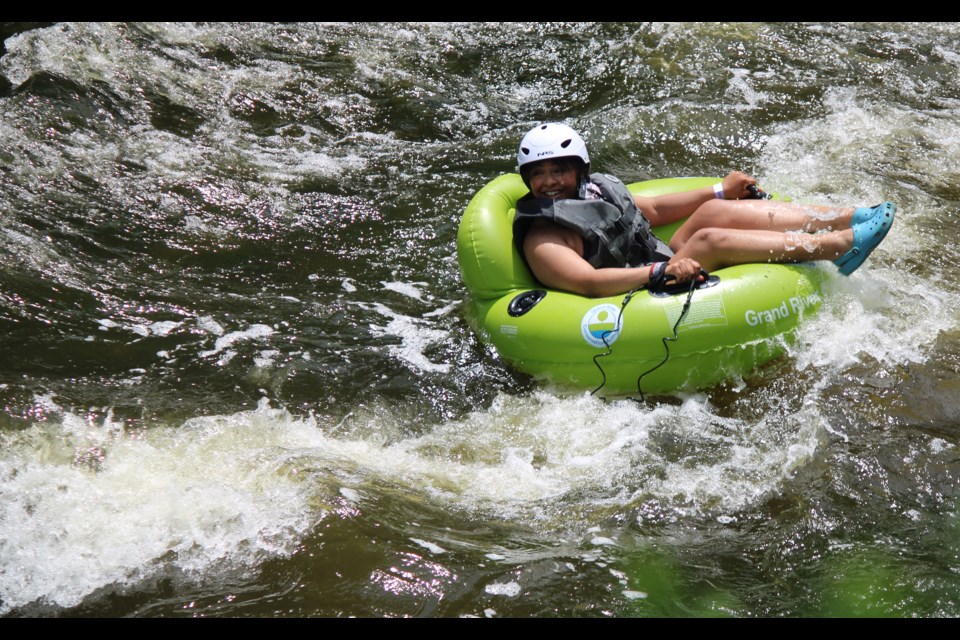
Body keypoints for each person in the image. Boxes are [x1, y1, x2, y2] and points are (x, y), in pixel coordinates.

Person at [512, 123, 896, 298]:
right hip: (635, 291)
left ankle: (849, 217)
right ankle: (836, 247)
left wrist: (722, 189)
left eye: (558, 170)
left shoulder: (596, 190)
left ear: (579, 170)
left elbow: (655, 209)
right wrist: (661, 270)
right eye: (538, 174)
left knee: (714, 211)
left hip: (654, 260)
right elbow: (587, 283)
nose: (549, 182)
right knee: (708, 240)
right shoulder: (544, 233)